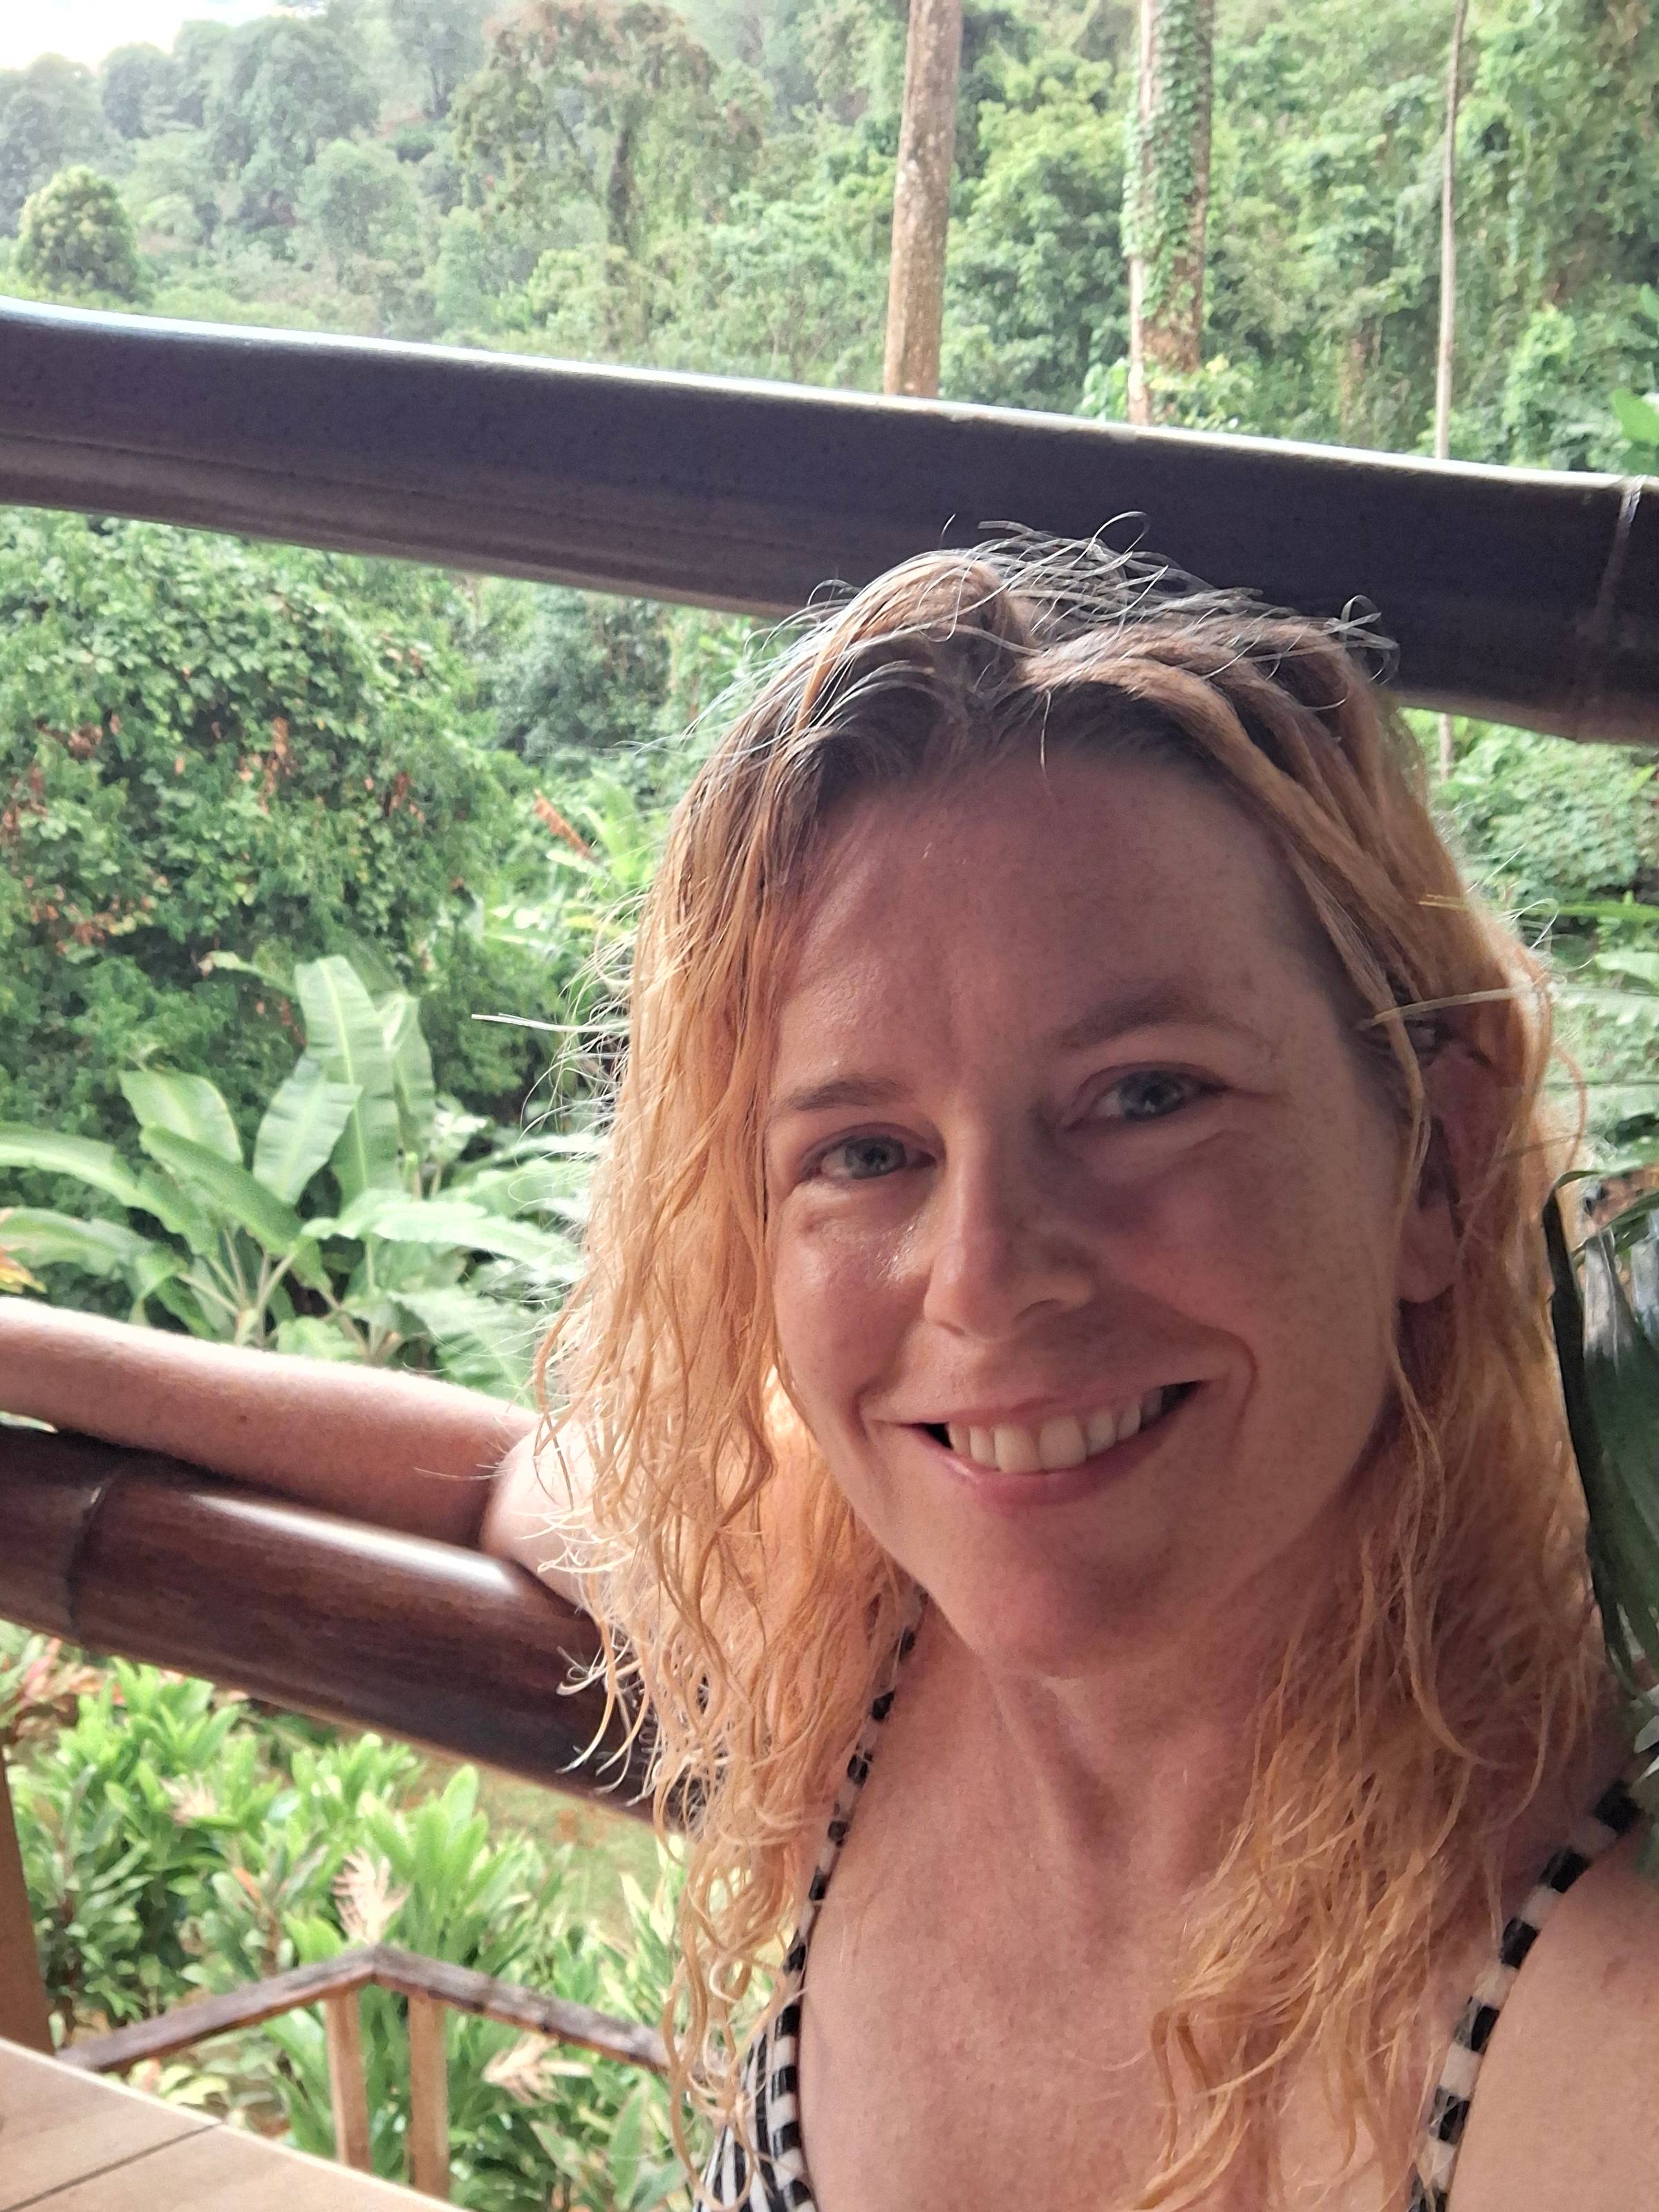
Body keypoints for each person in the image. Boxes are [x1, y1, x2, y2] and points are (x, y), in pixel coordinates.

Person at [3, 538, 1656, 2212]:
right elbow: (504, 1477)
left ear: (1437, 1158)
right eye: (866, 1149)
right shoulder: (846, 1639)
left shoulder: (1595, 1999)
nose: (985, 1276)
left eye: (1146, 1095)